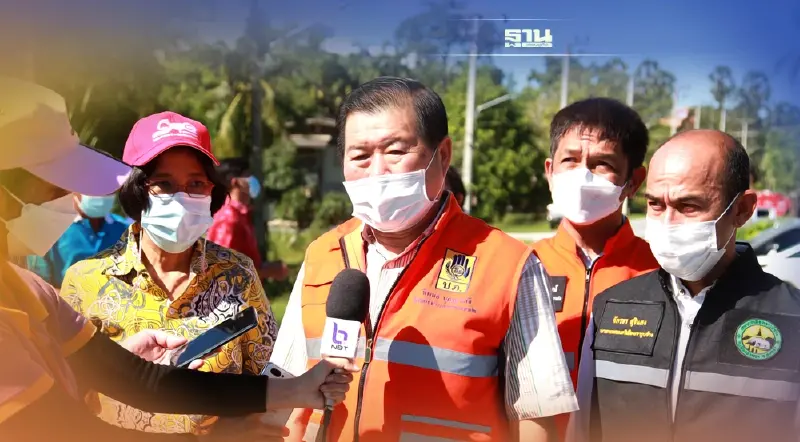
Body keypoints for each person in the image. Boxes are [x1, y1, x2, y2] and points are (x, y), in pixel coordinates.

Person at [0, 77, 356, 442]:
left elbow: (143, 381)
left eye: (196, 184)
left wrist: (296, 390)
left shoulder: (31, 292)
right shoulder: (78, 282)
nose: (67, 198)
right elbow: (71, 428)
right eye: (55, 186)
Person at [270, 77, 576, 442]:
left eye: (395, 151)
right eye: (360, 156)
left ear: (442, 155)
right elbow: (283, 382)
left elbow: (537, 416)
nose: (377, 171)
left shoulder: (509, 265)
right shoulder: (323, 254)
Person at [569, 129, 800, 442]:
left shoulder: (791, 318)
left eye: (689, 206)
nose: (667, 223)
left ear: (742, 210)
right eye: (655, 204)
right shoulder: (612, 308)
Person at [59, 111, 278, 436]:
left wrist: (237, 428)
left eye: (196, 183)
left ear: (212, 191)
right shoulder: (86, 281)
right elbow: (63, 394)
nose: (182, 197)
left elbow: (266, 374)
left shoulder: (238, 275)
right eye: (164, 184)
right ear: (136, 190)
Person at [533, 98, 659, 393]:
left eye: (602, 163)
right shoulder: (523, 266)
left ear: (633, 181)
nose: (583, 175)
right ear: (550, 172)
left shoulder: (659, 272)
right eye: (570, 160)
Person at [206, 157, 288, 281]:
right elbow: (223, 270)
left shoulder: (241, 216)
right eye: (248, 176)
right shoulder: (229, 220)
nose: (253, 181)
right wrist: (267, 271)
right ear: (235, 182)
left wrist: (265, 267)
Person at [26, 192, 131, 288]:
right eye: (91, 187)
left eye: (107, 188)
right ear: (73, 189)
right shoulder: (46, 230)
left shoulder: (127, 229)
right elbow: (39, 288)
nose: (100, 193)